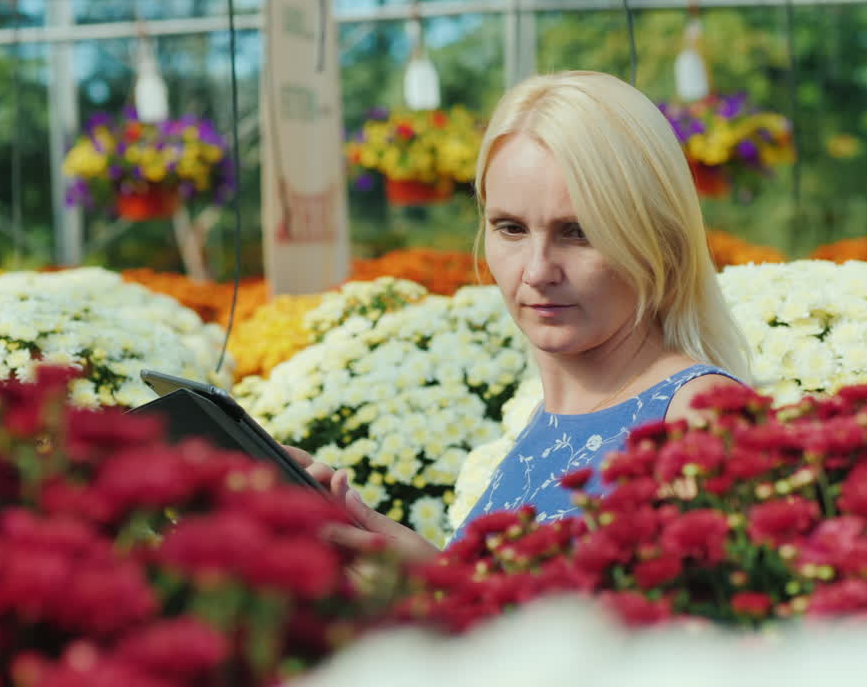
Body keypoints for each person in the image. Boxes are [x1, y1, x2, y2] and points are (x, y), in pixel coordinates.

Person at [287, 70, 753, 564]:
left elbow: (698, 633)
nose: (536, 271)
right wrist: (407, 563)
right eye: (510, 228)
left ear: (659, 237)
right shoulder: (551, 415)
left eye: (577, 232)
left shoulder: (701, 416)